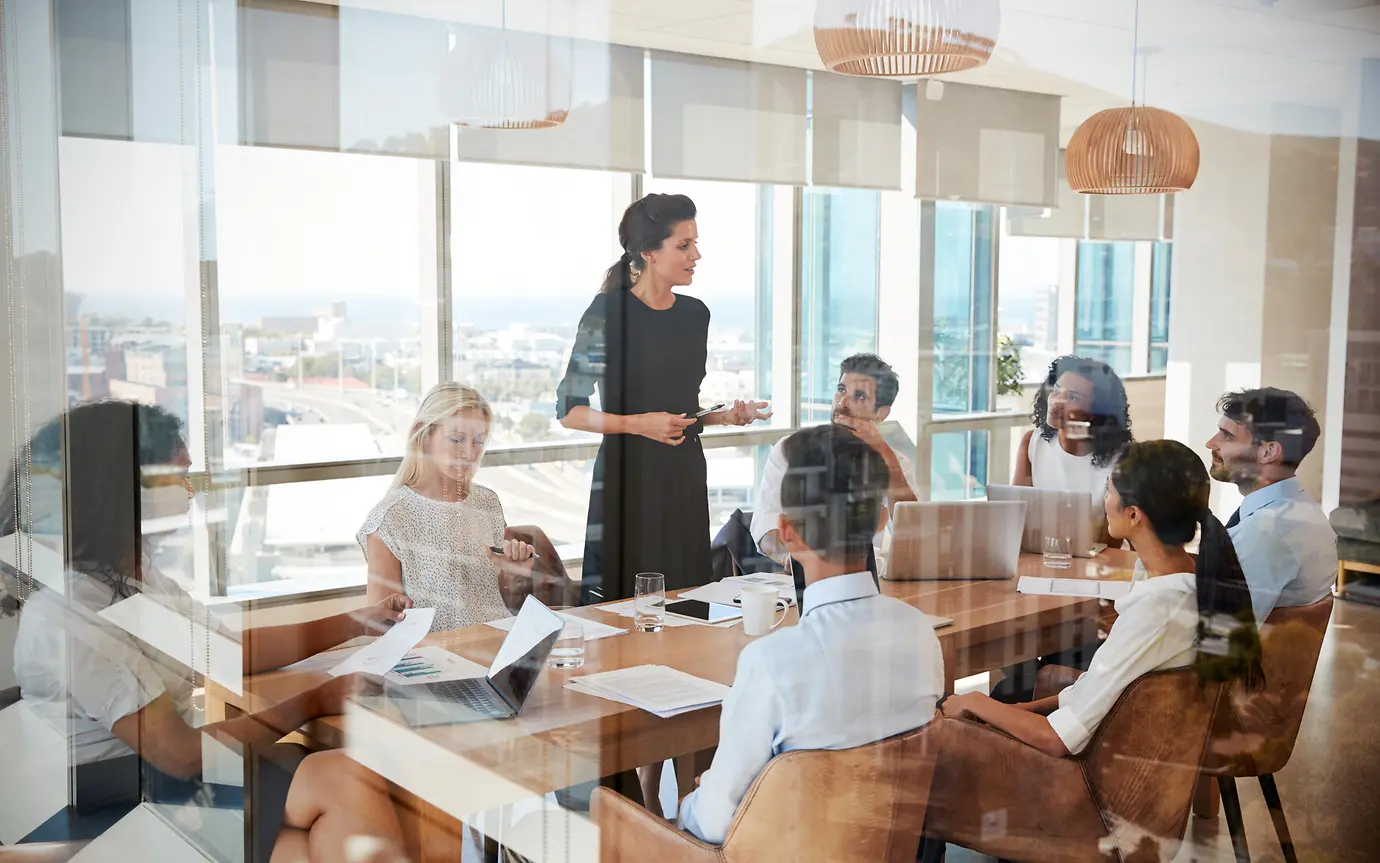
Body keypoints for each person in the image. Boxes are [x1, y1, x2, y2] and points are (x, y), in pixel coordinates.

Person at [5, 401, 409, 858]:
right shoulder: (72, 611)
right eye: (177, 477)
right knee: (345, 779)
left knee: (303, 848)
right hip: (105, 803)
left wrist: (356, 623)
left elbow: (224, 652)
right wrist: (315, 701)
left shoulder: (131, 578)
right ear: (125, 487)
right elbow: (180, 754)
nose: (189, 493)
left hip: (145, 780)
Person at [677, 424, 944, 843]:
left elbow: (715, 823)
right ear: (880, 518)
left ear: (787, 532)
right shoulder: (921, 635)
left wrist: (688, 805)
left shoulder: (772, 663)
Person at [939, 439, 1264, 756]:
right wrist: (1021, 708)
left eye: (1109, 491)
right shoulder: (1196, 577)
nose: (1105, 501)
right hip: (1125, 747)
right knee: (1002, 698)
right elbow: (1099, 688)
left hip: (1089, 777)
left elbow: (1058, 739)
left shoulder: (1157, 610)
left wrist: (975, 701)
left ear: (1134, 514)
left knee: (938, 734)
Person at [556, 193, 770, 605]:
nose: (697, 255)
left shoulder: (695, 315)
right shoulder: (606, 314)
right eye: (684, 245)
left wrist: (724, 416)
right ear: (650, 253)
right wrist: (639, 424)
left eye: (696, 243)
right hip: (627, 481)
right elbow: (570, 411)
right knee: (624, 608)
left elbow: (683, 411)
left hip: (684, 474)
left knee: (688, 599)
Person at [359, 383, 545, 632]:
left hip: (498, 646)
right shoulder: (390, 518)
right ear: (424, 436)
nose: (469, 453)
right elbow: (379, 628)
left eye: (478, 441)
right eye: (456, 439)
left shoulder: (487, 502)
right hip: (435, 660)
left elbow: (500, 603)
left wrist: (514, 575)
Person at [751, 353, 917, 580]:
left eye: (859, 396)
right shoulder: (791, 450)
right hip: (805, 580)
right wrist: (799, 562)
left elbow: (915, 532)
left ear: (881, 413)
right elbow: (765, 524)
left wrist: (885, 455)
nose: (842, 403)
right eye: (841, 389)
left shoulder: (896, 463)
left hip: (876, 580)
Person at [1206, 387, 1337, 624]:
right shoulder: (1296, 509)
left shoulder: (1267, 532)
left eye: (1227, 436)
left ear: (1268, 452)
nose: (1210, 443)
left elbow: (1221, 627)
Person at [1014, 355, 1133, 508]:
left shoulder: (1123, 460)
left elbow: (1118, 529)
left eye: (1073, 397)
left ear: (1096, 411)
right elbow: (1016, 511)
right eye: (1056, 390)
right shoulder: (1032, 442)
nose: (1057, 402)